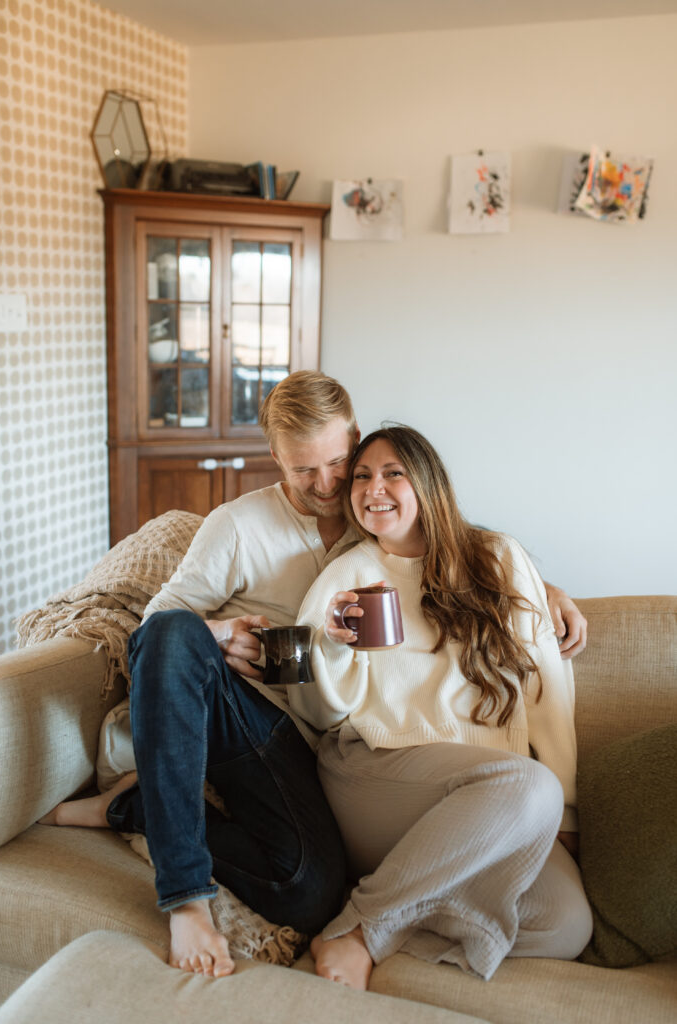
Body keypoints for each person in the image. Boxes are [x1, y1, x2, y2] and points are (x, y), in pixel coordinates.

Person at [39, 372, 588, 980]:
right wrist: (218, 636)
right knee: (173, 635)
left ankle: (134, 808)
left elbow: (445, 538)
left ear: (353, 438)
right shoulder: (241, 527)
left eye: (339, 463)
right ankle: (185, 895)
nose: (327, 485)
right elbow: (157, 625)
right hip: (263, 723)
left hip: (319, 753)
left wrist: (538, 590)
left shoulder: (370, 512)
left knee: (308, 892)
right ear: (274, 457)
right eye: (304, 471)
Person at [289, 425, 593, 989]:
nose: (372, 487)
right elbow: (315, 712)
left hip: (492, 792)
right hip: (376, 774)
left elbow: (546, 688)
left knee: (564, 924)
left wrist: (566, 812)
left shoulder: (499, 558)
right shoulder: (347, 576)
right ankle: (359, 929)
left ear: (427, 483)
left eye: (391, 473)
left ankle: (401, 916)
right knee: (531, 787)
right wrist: (329, 643)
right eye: (360, 476)